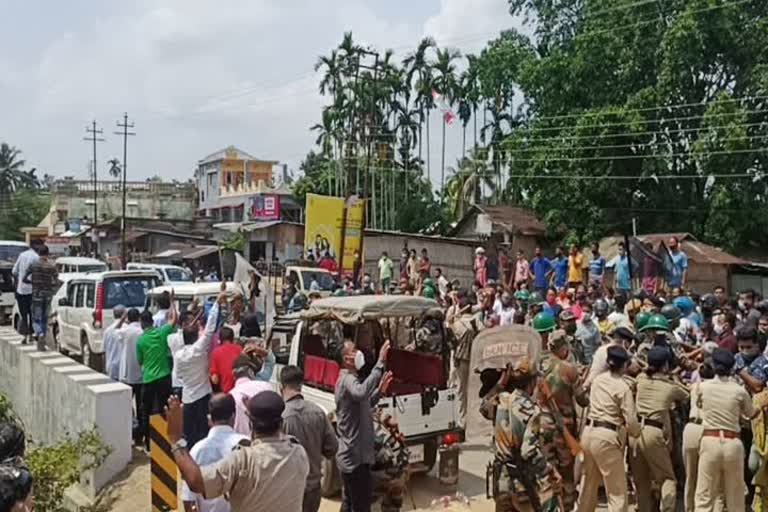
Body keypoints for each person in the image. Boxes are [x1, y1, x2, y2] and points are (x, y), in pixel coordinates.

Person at [167, 391, 309, 512]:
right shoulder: (298, 452)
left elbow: (196, 482)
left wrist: (176, 440)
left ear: (250, 424)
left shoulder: (243, 460)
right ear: (281, 423)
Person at [491, 355, 562, 511]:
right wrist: (549, 470)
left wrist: (501, 382)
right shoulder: (532, 411)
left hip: (501, 481)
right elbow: (528, 452)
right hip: (520, 484)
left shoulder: (501, 399)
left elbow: (484, 408)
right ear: (532, 382)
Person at [576, 345, 641, 512]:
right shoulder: (622, 387)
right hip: (607, 436)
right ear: (624, 365)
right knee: (617, 491)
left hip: (589, 433)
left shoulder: (598, 380)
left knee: (588, 484)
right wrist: (636, 432)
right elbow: (632, 422)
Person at [694, 348, 758, 512]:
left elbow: (699, 405)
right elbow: (750, 414)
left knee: (704, 495)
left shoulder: (703, 387)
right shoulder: (739, 390)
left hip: (710, 440)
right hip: (732, 443)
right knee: (735, 496)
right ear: (731, 368)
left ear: (714, 367)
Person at [629, 346, 690, 512]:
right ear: (665, 366)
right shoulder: (670, 387)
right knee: (668, 479)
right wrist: (673, 378)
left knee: (641, 482)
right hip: (653, 433)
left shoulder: (641, 380)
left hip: (634, 433)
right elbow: (688, 395)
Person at [335, 339, 393, 512]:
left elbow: (365, 403)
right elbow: (360, 393)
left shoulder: (352, 381)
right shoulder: (347, 380)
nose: (359, 353)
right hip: (355, 459)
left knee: (349, 504)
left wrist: (379, 392)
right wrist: (379, 363)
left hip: (355, 457)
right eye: (354, 350)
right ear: (347, 359)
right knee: (360, 506)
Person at [538, 330, 588, 511]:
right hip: (563, 430)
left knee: (548, 473)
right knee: (567, 476)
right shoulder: (569, 370)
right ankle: (566, 507)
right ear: (563, 347)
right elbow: (582, 400)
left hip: (542, 427)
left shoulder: (538, 368)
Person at [172, 285, 226, 448]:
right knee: (205, 434)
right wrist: (217, 303)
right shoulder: (199, 348)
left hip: (188, 398)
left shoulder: (179, 355)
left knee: (189, 435)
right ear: (196, 336)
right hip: (203, 397)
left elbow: (179, 375)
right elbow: (210, 329)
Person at [280, 365, 339, 512]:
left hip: (289, 490)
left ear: (282, 387)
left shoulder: (280, 418)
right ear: (301, 385)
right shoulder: (318, 412)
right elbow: (332, 448)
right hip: (313, 489)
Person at [180, 393, 250, 512]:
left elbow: (188, 498)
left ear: (209, 419)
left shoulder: (197, 450)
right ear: (234, 416)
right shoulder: (247, 445)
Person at [137, 304, 178, 451]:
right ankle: (168, 440)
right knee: (165, 409)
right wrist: (172, 303)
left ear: (142, 324)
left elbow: (140, 361)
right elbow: (174, 319)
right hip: (164, 377)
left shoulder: (140, 341)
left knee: (146, 411)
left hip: (148, 379)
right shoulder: (162, 333)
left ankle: (148, 443)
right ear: (152, 322)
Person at [448, 298, 482, 430]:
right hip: (474, 359)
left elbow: (450, 330)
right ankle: (474, 420)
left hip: (461, 360)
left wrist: (454, 316)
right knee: (474, 390)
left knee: (461, 390)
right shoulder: (476, 321)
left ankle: (462, 420)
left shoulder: (457, 323)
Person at [230, 349, 273, 436]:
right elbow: (270, 361)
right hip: (269, 442)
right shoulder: (266, 386)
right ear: (251, 372)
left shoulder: (231, 396)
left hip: (243, 445)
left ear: (234, 375)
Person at [118, 308, 144, 442]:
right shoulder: (142, 331)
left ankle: (129, 433)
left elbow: (116, 330)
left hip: (127, 374)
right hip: (140, 373)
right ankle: (140, 435)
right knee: (141, 406)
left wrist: (122, 319)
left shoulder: (125, 331)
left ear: (128, 318)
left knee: (127, 407)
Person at [25, 245, 58, 348]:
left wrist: (32, 282)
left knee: (35, 318)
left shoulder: (33, 265)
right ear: (47, 254)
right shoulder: (51, 266)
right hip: (48, 295)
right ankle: (42, 343)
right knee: (44, 318)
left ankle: (40, 333)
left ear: (38, 253)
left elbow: (24, 277)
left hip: (36, 294)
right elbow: (56, 281)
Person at [11, 239, 40, 343]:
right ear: (35, 245)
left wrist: (18, 282)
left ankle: (25, 336)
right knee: (32, 313)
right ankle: (32, 335)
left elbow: (14, 271)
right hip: (32, 290)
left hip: (21, 290)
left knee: (24, 314)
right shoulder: (37, 258)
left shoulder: (22, 255)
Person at [210, 327, 243, 394]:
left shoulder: (215, 352)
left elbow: (215, 380)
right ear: (232, 338)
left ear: (220, 339)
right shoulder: (239, 349)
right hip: (241, 388)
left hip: (227, 391)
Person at [103, 305, 127, 381]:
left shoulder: (107, 330)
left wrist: (104, 368)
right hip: (123, 367)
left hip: (111, 367)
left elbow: (104, 351)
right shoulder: (127, 328)